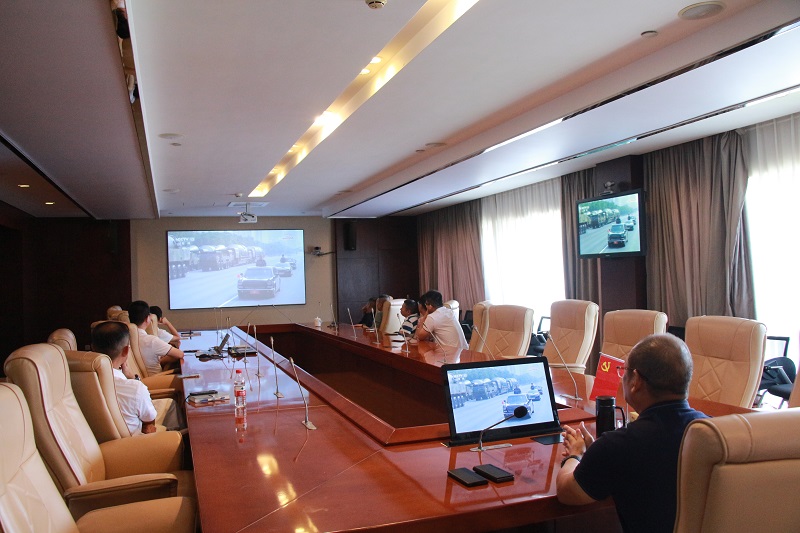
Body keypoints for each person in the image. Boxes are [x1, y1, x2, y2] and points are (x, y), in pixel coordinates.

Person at [556, 333, 708, 533]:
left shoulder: (618, 445)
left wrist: (575, 455)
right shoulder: (714, 431)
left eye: (623, 371)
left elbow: (567, 492)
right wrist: (597, 453)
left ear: (636, 380)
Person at [91, 321, 183, 434]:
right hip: (136, 438)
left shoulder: (83, 381)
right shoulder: (134, 388)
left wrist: (130, 377)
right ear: (126, 350)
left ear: (93, 348)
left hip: (106, 435)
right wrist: (134, 380)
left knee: (170, 404)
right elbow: (149, 420)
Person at [128, 300, 184, 375]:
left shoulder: (127, 338)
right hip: (156, 377)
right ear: (147, 319)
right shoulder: (151, 340)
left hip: (143, 378)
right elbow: (180, 354)